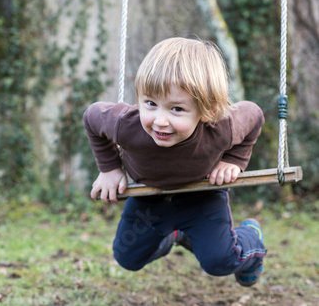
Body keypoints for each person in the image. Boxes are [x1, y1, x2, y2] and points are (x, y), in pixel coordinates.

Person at [83, 37, 267, 287]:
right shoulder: (125, 124)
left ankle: (252, 239)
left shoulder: (221, 127)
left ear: (208, 111)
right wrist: (110, 168)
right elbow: (92, 117)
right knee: (128, 257)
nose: (159, 120)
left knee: (220, 261)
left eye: (176, 109)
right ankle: (174, 235)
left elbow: (254, 115)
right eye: (150, 103)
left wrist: (234, 160)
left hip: (201, 195)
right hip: (150, 199)